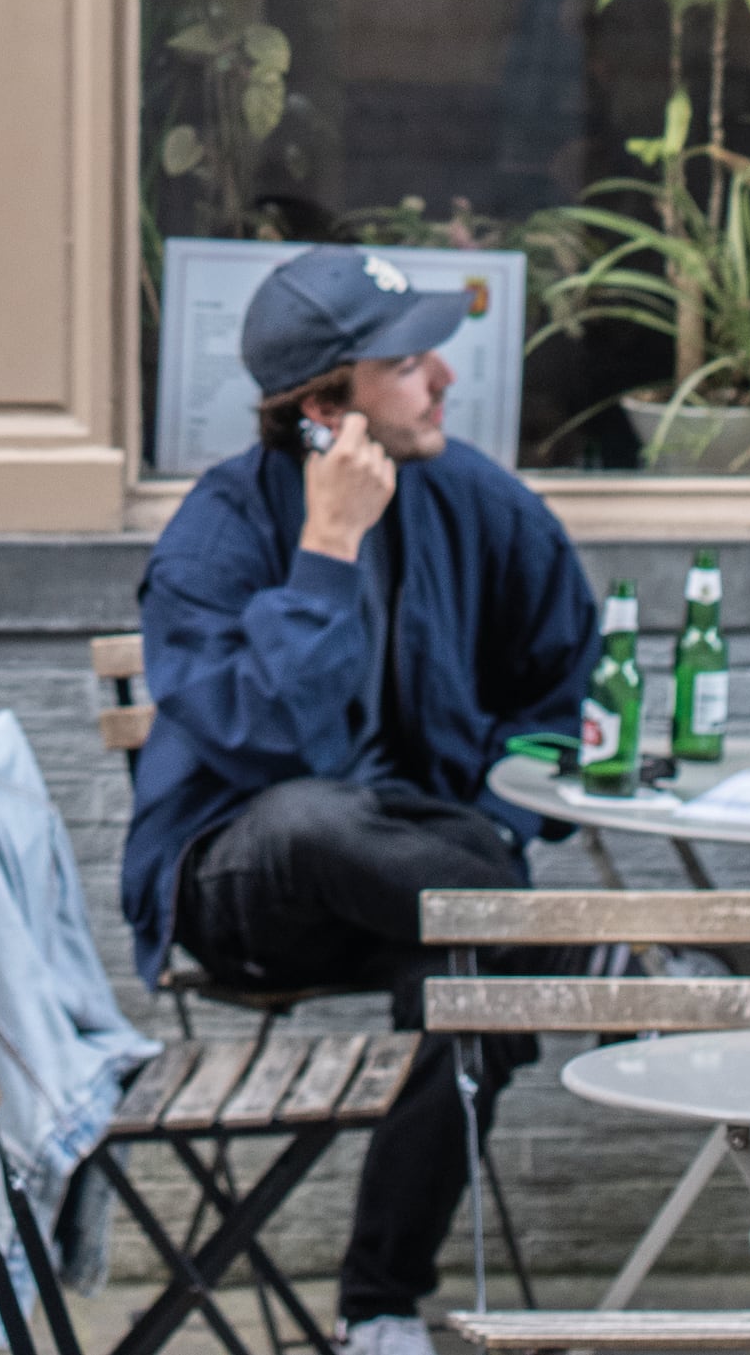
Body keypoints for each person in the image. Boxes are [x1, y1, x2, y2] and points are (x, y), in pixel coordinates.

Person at [121, 245, 603, 1355]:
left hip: (427, 888)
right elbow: (260, 739)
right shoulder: (218, 530)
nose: (441, 377)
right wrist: (327, 546)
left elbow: (564, 687)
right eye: (405, 362)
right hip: (247, 885)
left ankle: (378, 1310)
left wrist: (502, 821)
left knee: (467, 977)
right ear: (319, 408)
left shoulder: (475, 497)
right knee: (314, 814)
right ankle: (590, 954)